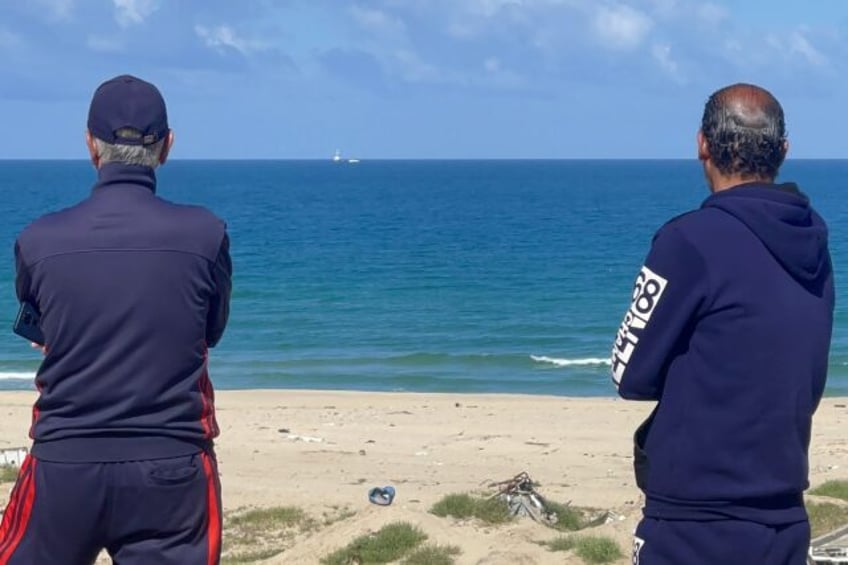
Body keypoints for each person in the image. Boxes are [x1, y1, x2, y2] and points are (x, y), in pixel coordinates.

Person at [0, 75, 232, 564]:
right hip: (170, 464)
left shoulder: (38, 240)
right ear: (167, 146)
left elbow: (41, 331)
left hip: (65, 463)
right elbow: (209, 332)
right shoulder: (206, 235)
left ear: (90, 145)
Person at [611, 83, 834, 564]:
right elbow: (806, 375)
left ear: (702, 145)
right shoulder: (814, 244)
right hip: (783, 512)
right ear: (783, 151)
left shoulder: (687, 241)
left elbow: (628, 373)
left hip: (695, 520)